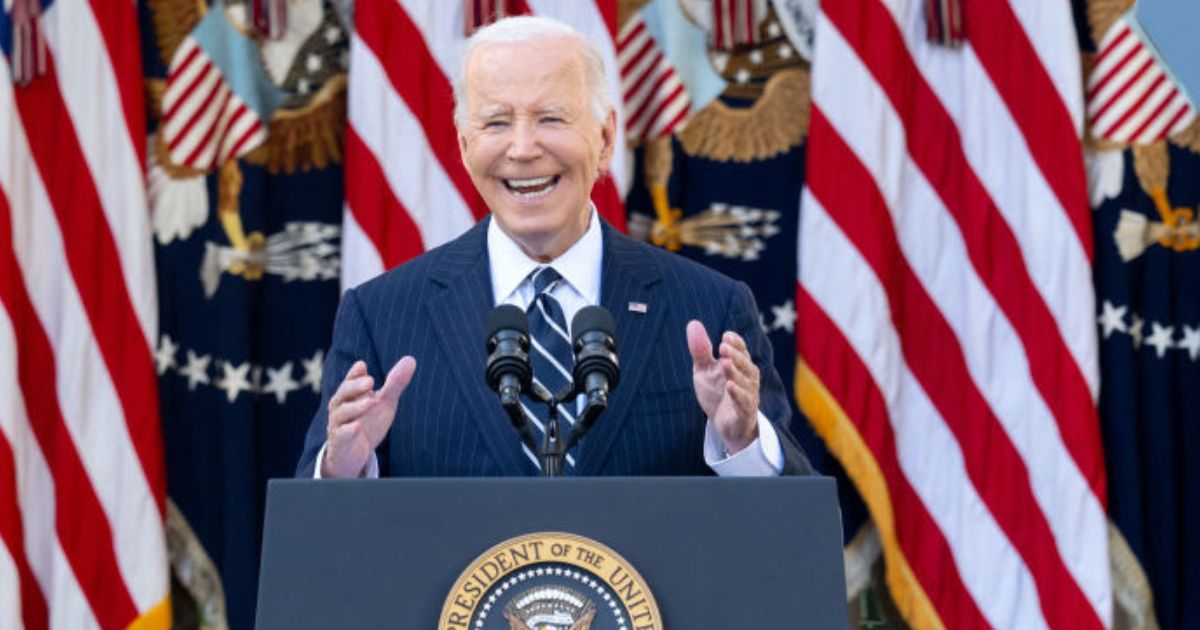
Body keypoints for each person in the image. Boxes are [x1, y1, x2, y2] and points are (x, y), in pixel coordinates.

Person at [296, 15, 811, 479]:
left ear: (605, 138)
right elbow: (319, 540)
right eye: (496, 122)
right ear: (464, 145)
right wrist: (343, 472)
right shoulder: (382, 316)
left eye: (550, 118)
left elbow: (789, 528)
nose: (523, 148)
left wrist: (740, 443)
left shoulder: (708, 311)